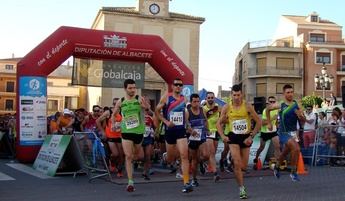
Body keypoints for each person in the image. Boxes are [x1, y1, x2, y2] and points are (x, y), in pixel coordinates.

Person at [216, 84, 261, 199]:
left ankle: (235, 164)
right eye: (234, 95)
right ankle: (241, 188)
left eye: (238, 95)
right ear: (232, 95)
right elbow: (218, 123)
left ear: (242, 94)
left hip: (245, 137)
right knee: (237, 162)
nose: (236, 97)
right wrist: (222, 136)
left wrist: (251, 136)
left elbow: (259, 121)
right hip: (233, 137)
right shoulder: (227, 107)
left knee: (244, 166)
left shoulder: (247, 106)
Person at [155, 78, 193, 193]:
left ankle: (186, 182)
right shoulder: (167, 97)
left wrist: (187, 125)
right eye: (176, 84)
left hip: (180, 131)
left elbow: (185, 113)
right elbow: (156, 111)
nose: (178, 87)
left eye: (180, 85)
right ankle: (166, 156)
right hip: (170, 131)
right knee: (171, 159)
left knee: (184, 155)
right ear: (172, 86)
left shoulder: (184, 99)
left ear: (182, 87)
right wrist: (166, 122)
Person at [113, 79, 149, 192]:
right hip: (126, 131)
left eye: (134, 88)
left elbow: (148, 109)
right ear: (125, 89)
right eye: (130, 88)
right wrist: (115, 124)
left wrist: (145, 106)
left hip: (139, 132)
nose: (133, 90)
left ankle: (134, 161)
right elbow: (114, 114)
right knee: (128, 156)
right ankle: (130, 182)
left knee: (138, 156)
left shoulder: (139, 99)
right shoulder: (121, 101)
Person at [266, 84, 306, 182]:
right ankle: (293, 172)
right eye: (288, 92)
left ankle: (277, 167)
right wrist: (269, 123)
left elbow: (303, 121)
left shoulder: (297, 105)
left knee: (284, 153)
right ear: (284, 94)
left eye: (292, 92)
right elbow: (267, 109)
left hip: (293, 133)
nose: (290, 94)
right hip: (283, 132)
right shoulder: (280, 105)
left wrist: (300, 116)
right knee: (296, 148)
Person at [186, 93, 210, 187]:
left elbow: (206, 120)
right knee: (194, 160)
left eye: (198, 101)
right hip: (192, 138)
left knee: (206, 155)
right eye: (194, 102)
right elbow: (186, 124)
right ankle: (194, 179)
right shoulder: (188, 112)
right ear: (191, 102)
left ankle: (202, 162)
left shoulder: (202, 110)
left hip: (202, 137)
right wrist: (191, 130)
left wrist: (207, 129)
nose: (196, 103)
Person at [96, 104, 124, 177]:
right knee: (115, 154)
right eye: (114, 104)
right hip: (110, 136)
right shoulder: (108, 112)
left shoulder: (122, 112)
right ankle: (112, 163)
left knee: (121, 155)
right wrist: (102, 132)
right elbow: (98, 121)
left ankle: (120, 170)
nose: (116, 106)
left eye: (117, 104)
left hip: (120, 136)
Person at [253, 96, 281, 169]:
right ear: (267, 103)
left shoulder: (277, 110)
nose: (272, 103)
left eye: (273, 102)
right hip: (265, 131)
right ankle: (256, 158)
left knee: (277, 147)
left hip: (273, 131)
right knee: (261, 147)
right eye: (270, 102)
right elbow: (263, 123)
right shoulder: (265, 110)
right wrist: (272, 119)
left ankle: (277, 164)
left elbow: (277, 120)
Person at [203, 91, 221, 181]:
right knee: (211, 152)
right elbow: (203, 120)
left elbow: (221, 118)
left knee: (211, 153)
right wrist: (206, 130)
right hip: (208, 132)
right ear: (206, 99)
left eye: (212, 97)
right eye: (208, 98)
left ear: (214, 98)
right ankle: (215, 173)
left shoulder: (218, 107)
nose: (210, 99)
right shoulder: (203, 109)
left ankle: (203, 163)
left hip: (216, 131)